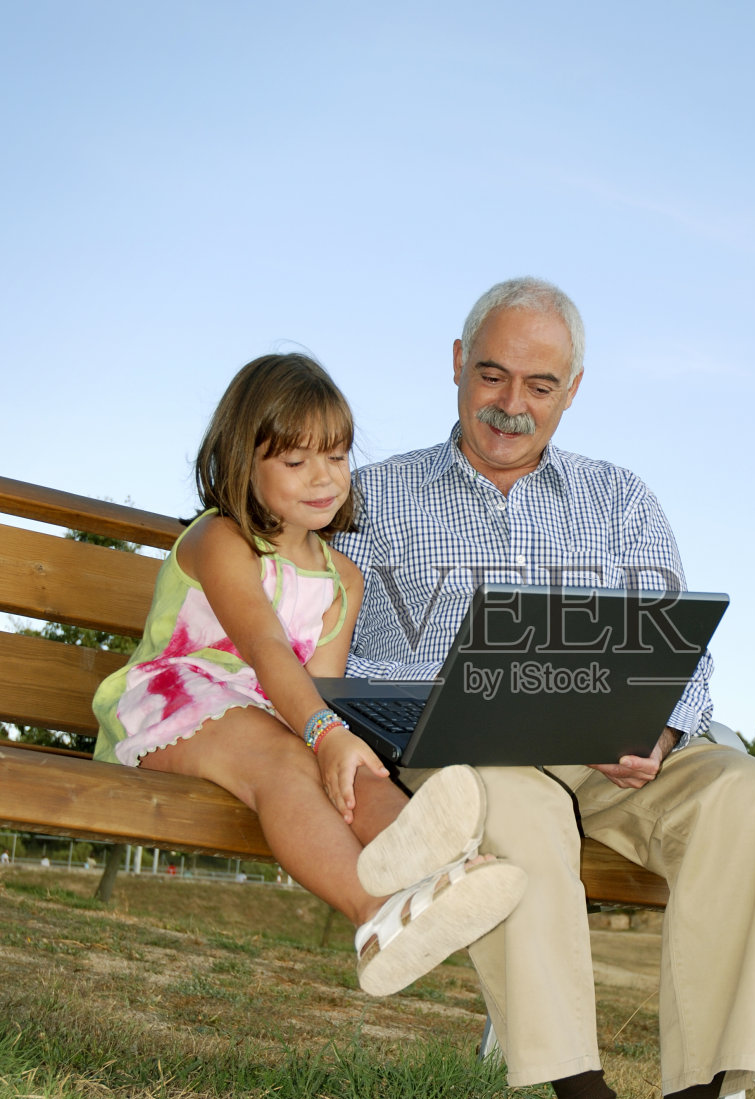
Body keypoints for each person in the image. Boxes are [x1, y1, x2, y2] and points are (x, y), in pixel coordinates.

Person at [335, 280, 755, 1099]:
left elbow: (683, 651)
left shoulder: (620, 498)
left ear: (573, 389)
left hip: (607, 756)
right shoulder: (371, 499)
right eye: (495, 374)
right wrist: (454, 690)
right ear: (456, 363)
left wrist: (663, 728)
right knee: (511, 799)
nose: (513, 403)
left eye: (541, 384)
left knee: (750, 794)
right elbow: (330, 651)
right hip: (470, 754)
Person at [92, 353, 525, 997]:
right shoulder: (220, 539)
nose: (323, 478)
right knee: (293, 755)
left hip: (280, 721)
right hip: (174, 708)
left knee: (355, 767)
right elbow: (266, 648)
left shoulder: (343, 578)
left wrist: (336, 747)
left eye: (337, 457)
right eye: (296, 462)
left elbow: (318, 693)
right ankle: (374, 918)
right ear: (245, 460)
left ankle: (447, 871)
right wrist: (322, 734)